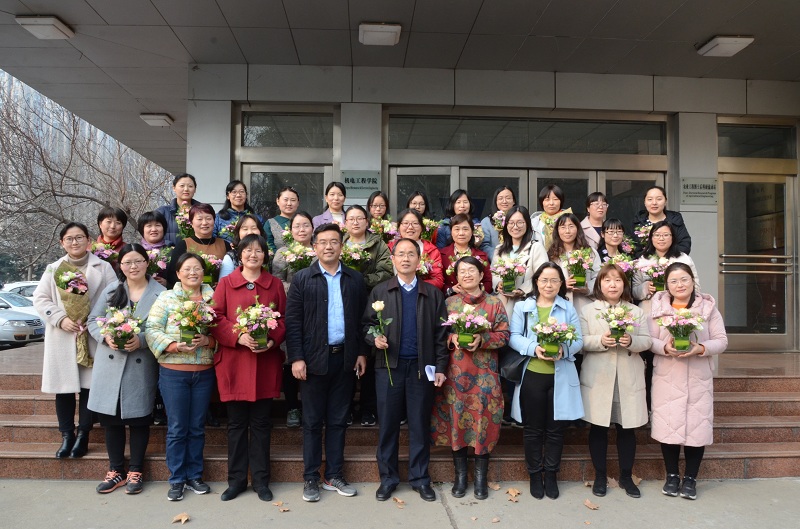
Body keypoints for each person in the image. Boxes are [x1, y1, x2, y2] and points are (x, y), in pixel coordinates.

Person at [285, 223, 367, 503]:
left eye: (334, 241)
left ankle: (333, 475)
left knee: (338, 421)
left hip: (344, 359)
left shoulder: (355, 279)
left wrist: (361, 352)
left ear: (342, 246)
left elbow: (361, 320)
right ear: (314, 247)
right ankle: (310, 477)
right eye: (323, 242)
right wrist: (296, 357)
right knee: (311, 422)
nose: (328, 246)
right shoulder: (302, 279)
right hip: (312, 361)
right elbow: (293, 322)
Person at [363, 238, 448, 503]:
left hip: (421, 369)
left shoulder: (432, 294)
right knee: (388, 425)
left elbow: (441, 335)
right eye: (401, 254)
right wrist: (374, 339)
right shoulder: (380, 291)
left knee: (419, 425)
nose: (406, 258)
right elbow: (366, 325)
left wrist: (441, 367)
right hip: (389, 367)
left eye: (411, 254)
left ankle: (420, 479)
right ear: (393, 259)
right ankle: (388, 479)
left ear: (419, 261)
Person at [211, 235, 286, 502]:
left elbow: (284, 319)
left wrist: (273, 339)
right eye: (248, 250)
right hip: (234, 363)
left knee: (262, 424)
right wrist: (238, 336)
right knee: (236, 424)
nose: (253, 255)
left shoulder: (275, 284)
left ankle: (261, 481)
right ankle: (236, 481)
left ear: (265, 255)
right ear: (239, 255)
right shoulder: (226, 283)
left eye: (258, 250)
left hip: (265, 362)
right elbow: (215, 317)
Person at [34, 222, 117, 459]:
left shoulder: (103, 266)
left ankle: (83, 434)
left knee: (89, 387)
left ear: (89, 240)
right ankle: (67, 435)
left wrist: (95, 320)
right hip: (63, 335)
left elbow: (114, 297)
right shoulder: (54, 268)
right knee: (64, 388)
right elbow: (40, 298)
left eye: (79, 237)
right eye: (69, 238)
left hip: (91, 334)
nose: (74, 242)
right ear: (62, 243)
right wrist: (60, 319)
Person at [87, 244, 165, 494]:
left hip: (140, 363)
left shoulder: (161, 293)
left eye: (138, 261)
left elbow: (165, 327)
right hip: (110, 363)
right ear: (120, 266)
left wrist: (141, 340)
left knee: (139, 419)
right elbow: (93, 320)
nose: (133, 266)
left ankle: (136, 470)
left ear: (147, 262)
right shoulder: (112, 289)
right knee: (112, 421)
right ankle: (116, 470)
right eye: (127, 262)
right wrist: (105, 337)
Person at [432, 256, 509, 500]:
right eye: (462, 271)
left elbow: (505, 335)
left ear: (481, 274)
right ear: (456, 277)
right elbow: (438, 334)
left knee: (483, 420)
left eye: (471, 270)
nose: (467, 274)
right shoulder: (449, 303)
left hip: (485, 374)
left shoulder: (494, 303)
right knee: (457, 421)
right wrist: (451, 338)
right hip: (455, 374)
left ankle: (480, 479)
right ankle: (460, 477)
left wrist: (482, 339)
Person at [648, 263, 727, 500]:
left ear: (693, 281)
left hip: (697, 378)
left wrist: (700, 348)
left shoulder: (708, 308)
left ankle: (691, 478)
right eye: (673, 281)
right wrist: (664, 347)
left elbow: (721, 340)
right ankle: (672, 476)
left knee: (697, 427)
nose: (679, 285)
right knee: (668, 426)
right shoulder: (658, 308)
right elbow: (648, 340)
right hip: (667, 376)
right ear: (667, 285)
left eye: (684, 279)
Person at [145, 253, 218, 502]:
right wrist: (174, 346)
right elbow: (152, 329)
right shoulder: (167, 298)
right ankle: (177, 479)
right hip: (173, 372)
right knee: (177, 428)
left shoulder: (213, 299)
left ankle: (195, 476)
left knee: (196, 427)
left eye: (197, 268)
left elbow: (224, 331)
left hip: (204, 372)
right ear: (178, 273)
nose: (192, 273)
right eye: (187, 269)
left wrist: (208, 340)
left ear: (204, 273)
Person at [509, 262, 584, 500]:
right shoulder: (523, 307)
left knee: (555, 430)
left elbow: (578, 340)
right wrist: (533, 348)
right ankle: (534, 474)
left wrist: (564, 349)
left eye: (554, 280)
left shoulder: (567, 308)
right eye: (544, 280)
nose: (548, 285)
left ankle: (551, 474)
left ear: (561, 284)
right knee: (533, 429)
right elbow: (513, 337)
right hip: (533, 374)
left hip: (560, 376)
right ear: (536, 282)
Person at [579, 264, 652, 499]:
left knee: (627, 428)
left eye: (618, 280)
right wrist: (600, 340)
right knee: (598, 428)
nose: (613, 285)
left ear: (624, 285)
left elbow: (647, 341)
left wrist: (632, 341)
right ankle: (600, 476)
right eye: (607, 280)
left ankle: (626, 476)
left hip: (627, 376)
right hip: (599, 377)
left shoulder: (635, 311)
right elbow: (580, 341)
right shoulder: (588, 310)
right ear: (599, 284)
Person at [343, 205, 393, 427]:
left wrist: (359, 280)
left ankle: (368, 409)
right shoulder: (340, 243)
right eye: (351, 219)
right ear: (345, 223)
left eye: (360, 218)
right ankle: (345, 407)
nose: (355, 222)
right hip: (343, 305)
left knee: (370, 354)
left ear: (367, 221)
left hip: (372, 303)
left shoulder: (378, 244)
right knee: (347, 354)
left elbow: (386, 272)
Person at [272, 211, 315, 428]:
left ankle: (310, 407)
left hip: (316, 313)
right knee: (291, 360)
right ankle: (292, 408)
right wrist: (300, 287)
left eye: (305, 225)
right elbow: (277, 282)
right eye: (297, 226)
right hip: (291, 311)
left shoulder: (318, 251)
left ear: (312, 228)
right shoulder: (282, 253)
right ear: (290, 231)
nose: (301, 229)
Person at [491, 206, 547, 318]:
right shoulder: (499, 249)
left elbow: (542, 276)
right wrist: (498, 283)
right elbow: (493, 273)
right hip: (503, 303)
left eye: (520, 222)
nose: (515, 227)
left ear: (527, 224)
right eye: (511, 223)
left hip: (526, 302)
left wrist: (523, 290)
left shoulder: (536, 247)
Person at [548, 213, 601, 317]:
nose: (567, 231)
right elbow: (545, 279)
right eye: (563, 227)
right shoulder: (551, 254)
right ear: (557, 231)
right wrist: (562, 285)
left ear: (578, 229)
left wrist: (587, 288)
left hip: (584, 304)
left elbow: (599, 278)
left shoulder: (590, 252)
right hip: (559, 304)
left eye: (571, 226)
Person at [166, 204, 231, 289]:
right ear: (192, 223)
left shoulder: (225, 245)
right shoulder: (183, 245)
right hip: (191, 293)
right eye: (199, 219)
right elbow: (172, 274)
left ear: (214, 221)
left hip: (220, 291)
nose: (204, 223)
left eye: (208, 218)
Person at [388, 209, 444, 291]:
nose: (410, 227)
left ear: (422, 227)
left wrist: (415, 286)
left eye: (415, 223)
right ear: (399, 227)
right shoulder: (389, 248)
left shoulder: (431, 250)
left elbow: (438, 280)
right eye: (406, 223)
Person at [440, 213, 492, 295]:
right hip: (451, 299)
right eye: (457, 229)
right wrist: (451, 290)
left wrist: (475, 291)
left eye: (465, 229)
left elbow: (488, 282)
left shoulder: (481, 256)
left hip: (477, 299)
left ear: (472, 232)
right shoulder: (441, 254)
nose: (461, 233)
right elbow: (439, 281)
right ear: (451, 232)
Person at [632, 186, 691, 256]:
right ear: (644, 202)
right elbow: (633, 248)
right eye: (650, 199)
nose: (654, 203)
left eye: (659, 199)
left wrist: (665, 257)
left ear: (665, 201)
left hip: (672, 260)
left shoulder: (675, 220)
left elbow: (684, 245)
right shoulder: (638, 222)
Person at [155, 173, 201, 246]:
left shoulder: (203, 211)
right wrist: (169, 246)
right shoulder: (162, 212)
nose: (186, 189)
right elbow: (152, 235)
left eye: (190, 186)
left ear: (195, 189)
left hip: (197, 252)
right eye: (182, 186)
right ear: (174, 188)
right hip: (169, 251)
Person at [219, 214, 267, 280]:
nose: (250, 232)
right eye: (245, 229)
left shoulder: (266, 253)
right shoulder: (231, 256)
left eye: (254, 228)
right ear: (238, 232)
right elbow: (224, 282)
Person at [137, 210, 173, 287]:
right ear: (142, 229)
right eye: (149, 226)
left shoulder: (172, 252)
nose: (153, 229)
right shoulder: (136, 252)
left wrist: (168, 284)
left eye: (157, 225)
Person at [531, 184, 572, 249]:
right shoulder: (533, 222)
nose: (551, 203)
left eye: (555, 199)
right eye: (547, 199)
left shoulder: (571, 220)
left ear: (561, 201)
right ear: (542, 202)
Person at [479, 186, 516, 260]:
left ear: (514, 201)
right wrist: (498, 257)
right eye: (500, 198)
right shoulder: (486, 222)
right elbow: (484, 245)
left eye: (508, 198)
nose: (504, 201)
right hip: (495, 261)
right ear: (496, 201)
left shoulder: (520, 220)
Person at [266, 186, 300, 256]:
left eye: (293, 200)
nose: (289, 203)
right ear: (278, 201)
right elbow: (268, 247)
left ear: (298, 203)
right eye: (285, 200)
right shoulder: (270, 224)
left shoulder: (304, 222)